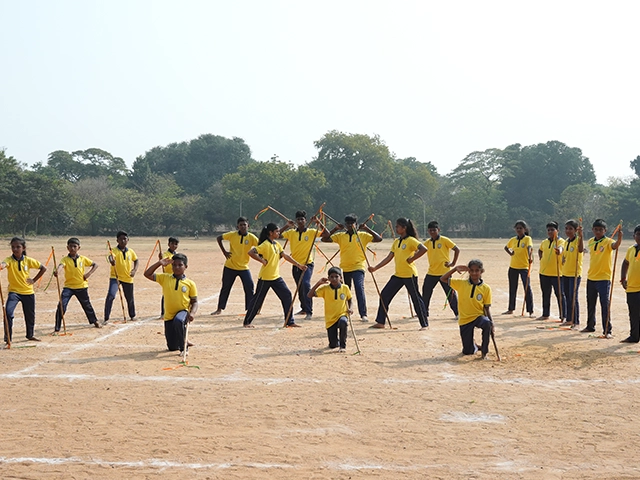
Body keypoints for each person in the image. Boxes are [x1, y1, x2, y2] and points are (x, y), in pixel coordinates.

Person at [368, 218, 429, 329]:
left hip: (409, 275)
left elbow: (424, 249)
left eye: (398, 226)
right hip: (398, 275)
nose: (396, 228)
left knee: (416, 299)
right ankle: (381, 322)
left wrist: (412, 259)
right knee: (384, 295)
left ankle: (424, 324)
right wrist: (375, 268)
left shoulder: (411, 240)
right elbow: (389, 257)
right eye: (395, 226)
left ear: (404, 228)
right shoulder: (396, 242)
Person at [243, 223, 307, 328]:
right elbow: (251, 252)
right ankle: (247, 322)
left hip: (276, 277)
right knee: (258, 300)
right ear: (270, 233)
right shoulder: (265, 245)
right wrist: (262, 260)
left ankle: (289, 321)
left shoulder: (276, 244)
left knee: (287, 295)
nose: (279, 233)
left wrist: (299, 265)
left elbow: (285, 256)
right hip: (265, 278)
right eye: (276, 231)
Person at [321, 214, 382, 322]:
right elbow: (324, 239)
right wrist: (335, 228)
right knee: (345, 290)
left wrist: (366, 228)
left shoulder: (362, 235)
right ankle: (345, 311)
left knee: (359, 288)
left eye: (352, 223)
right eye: (348, 223)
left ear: (356, 224)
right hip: (345, 268)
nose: (350, 225)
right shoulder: (340, 236)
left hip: (358, 267)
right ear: (345, 225)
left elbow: (378, 239)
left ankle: (363, 314)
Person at [144, 253, 198, 354]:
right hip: (169, 316)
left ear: (185, 267)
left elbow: (194, 302)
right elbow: (147, 274)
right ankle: (183, 337)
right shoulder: (165, 278)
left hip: (183, 312)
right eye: (174, 265)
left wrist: (192, 314)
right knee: (172, 347)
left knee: (178, 321)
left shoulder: (190, 283)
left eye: (180, 265)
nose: (176, 267)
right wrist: (159, 263)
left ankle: (184, 348)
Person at [441, 259, 494, 360]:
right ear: (468, 271)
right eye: (472, 270)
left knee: (487, 324)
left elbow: (487, 307)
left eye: (477, 270)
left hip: (478, 316)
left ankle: (484, 351)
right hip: (465, 319)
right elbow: (443, 279)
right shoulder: (461, 284)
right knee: (467, 352)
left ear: (481, 271)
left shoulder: (486, 288)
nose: (474, 273)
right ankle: (473, 346)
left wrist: (492, 323)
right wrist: (454, 269)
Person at [280, 210, 328, 320]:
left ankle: (309, 311)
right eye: (298, 219)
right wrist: (286, 226)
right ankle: (304, 308)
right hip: (296, 264)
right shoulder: (291, 233)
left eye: (302, 219)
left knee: (306, 285)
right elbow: (278, 235)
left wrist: (317, 223)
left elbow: (326, 234)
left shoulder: (311, 232)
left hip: (307, 264)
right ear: (296, 221)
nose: (300, 221)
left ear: (305, 221)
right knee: (300, 287)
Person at [0, 237, 47, 343]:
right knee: (8, 313)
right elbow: (4, 264)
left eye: (18, 247)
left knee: (30, 315)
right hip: (14, 292)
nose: (15, 249)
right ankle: (8, 338)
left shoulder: (28, 260)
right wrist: (1, 266)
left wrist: (34, 280)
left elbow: (43, 268)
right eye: (13, 247)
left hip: (28, 292)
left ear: (23, 248)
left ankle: (30, 335)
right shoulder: (9, 260)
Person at [581, 219, 622, 337]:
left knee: (604, 304)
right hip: (591, 277)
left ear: (605, 230)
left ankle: (607, 330)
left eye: (600, 230)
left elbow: (615, 246)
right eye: (596, 229)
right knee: (590, 303)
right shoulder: (590, 241)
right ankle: (590, 326)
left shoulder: (608, 241)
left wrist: (619, 238)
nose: (598, 232)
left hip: (603, 278)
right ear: (593, 230)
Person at [211, 217, 258, 315]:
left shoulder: (252, 237)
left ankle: (250, 309)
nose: (243, 226)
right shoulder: (232, 235)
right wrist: (224, 252)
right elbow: (219, 238)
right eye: (241, 225)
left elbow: (261, 245)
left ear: (248, 226)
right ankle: (219, 309)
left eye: (244, 225)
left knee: (249, 287)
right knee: (225, 288)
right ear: (238, 226)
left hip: (244, 267)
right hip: (230, 266)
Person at [53, 237, 100, 332]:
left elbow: (95, 265)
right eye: (70, 246)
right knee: (61, 306)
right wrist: (57, 271)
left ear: (79, 247)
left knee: (87, 305)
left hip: (81, 286)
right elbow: (61, 266)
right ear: (67, 248)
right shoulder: (65, 259)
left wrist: (88, 274)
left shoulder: (83, 259)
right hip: (68, 287)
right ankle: (57, 327)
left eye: (74, 246)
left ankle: (94, 321)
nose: (72, 248)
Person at [421, 221, 460, 321]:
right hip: (431, 272)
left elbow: (456, 249)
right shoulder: (427, 243)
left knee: (450, 293)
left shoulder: (444, 240)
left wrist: (453, 263)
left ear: (438, 230)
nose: (432, 232)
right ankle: (424, 312)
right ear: (428, 231)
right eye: (430, 230)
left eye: (434, 230)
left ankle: (458, 313)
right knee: (426, 292)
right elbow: (419, 250)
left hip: (444, 272)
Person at [308, 266, 352, 352]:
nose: (334, 279)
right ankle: (336, 342)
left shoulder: (345, 288)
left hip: (342, 314)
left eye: (336, 276)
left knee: (343, 322)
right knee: (332, 345)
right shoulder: (325, 289)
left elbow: (350, 299)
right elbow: (309, 295)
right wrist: (318, 283)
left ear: (341, 278)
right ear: (328, 278)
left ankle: (343, 346)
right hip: (330, 319)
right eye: (331, 277)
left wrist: (350, 308)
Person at [104, 231, 138, 323]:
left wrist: (134, 270)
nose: (123, 241)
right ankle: (106, 318)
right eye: (120, 239)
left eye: (124, 239)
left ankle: (132, 315)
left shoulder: (131, 251)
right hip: (115, 277)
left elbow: (136, 260)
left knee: (129, 298)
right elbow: (110, 257)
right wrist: (112, 261)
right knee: (111, 295)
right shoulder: (113, 251)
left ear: (128, 240)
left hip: (128, 277)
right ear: (117, 240)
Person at [503, 220, 534, 316]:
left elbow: (529, 248)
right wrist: (510, 253)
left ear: (525, 229)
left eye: (521, 228)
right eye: (517, 228)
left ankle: (530, 310)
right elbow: (506, 247)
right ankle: (511, 309)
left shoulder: (527, 238)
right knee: (512, 288)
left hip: (524, 267)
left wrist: (529, 256)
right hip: (513, 267)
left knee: (527, 288)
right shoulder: (513, 240)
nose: (519, 230)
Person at [537, 222, 566, 320]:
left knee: (560, 295)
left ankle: (563, 315)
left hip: (557, 274)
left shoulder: (561, 241)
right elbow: (540, 249)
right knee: (545, 294)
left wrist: (559, 251)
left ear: (557, 231)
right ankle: (545, 314)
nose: (550, 232)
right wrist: (540, 256)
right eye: (548, 230)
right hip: (544, 273)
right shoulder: (544, 242)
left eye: (552, 230)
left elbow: (561, 248)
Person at [561, 220, 584, 328]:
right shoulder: (566, 242)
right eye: (566, 228)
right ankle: (569, 319)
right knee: (567, 296)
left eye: (570, 229)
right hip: (565, 273)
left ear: (575, 230)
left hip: (575, 274)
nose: (568, 231)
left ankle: (576, 321)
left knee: (573, 296)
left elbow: (580, 250)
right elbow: (565, 255)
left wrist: (581, 236)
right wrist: (563, 260)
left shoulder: (578, 240)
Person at [620, 225, 640, 343]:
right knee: (633, 313)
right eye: (638, 234)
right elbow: (625, 263)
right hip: (631, 287)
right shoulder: (631, 249)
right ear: (634, 236)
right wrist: (623, 278)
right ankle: (634, 336)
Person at [158, 236, 179, 317]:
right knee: (165, 294)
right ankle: (163, 313)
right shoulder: (166, 254)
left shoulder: (176, 254)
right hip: (167, 276)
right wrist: (160, 258)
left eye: (176, 244)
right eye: (172, 244)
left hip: (175, 276)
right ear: (168, 244)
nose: (174, 246)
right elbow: (162, 260)